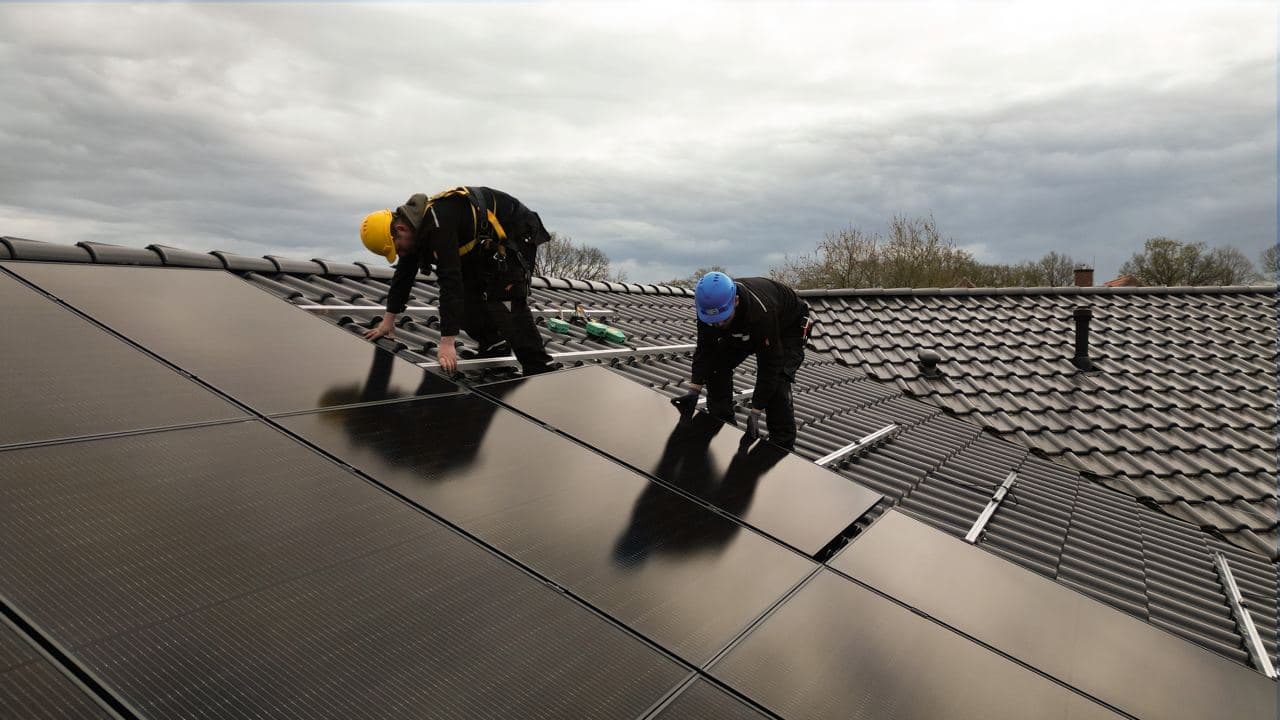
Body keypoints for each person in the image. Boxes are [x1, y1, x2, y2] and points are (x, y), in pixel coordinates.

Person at [359, 187, 558, 375]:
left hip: (516, 231)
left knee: (506, 300)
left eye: (397, 248)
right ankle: (494, 345)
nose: (400, 253)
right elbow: (403, 276)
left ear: (400, 228)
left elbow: (450, 281)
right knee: (465, 298)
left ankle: (539, 368)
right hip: (483, 246)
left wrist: (446, 343)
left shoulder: (438, 224)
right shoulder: (415, 231)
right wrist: (388, 322)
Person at [670, 272, 808, 450]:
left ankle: (782, 446)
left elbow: (769, 365)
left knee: (778, 382)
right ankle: (723, 423)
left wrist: (755, 412)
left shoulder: (761, 314)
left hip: (787, 327)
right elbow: (705, 349)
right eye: (713, 322)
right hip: (743, 323)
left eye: (722, 319)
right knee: (716, 368)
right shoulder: (709, 309)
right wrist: (694, 390)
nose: (718, 325)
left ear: (735, 301)